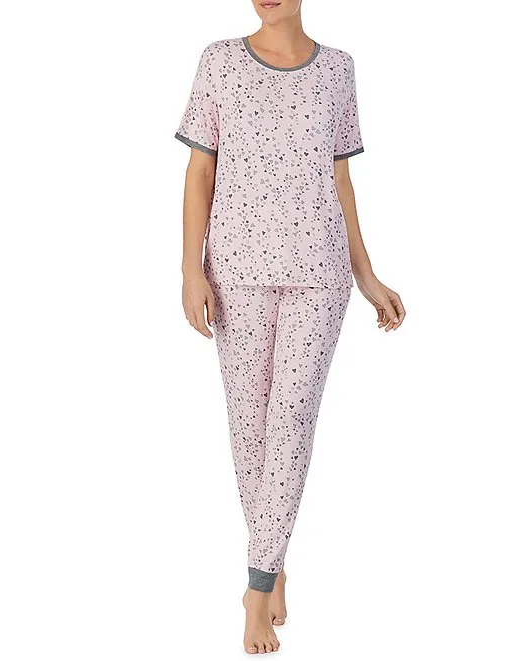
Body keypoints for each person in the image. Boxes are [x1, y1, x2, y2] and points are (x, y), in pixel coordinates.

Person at [175, 0, 405, 654]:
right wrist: (190, 270)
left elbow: (341, 179)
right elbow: (199, 171)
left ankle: (256, 585)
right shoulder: (220, 61)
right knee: (251, 430)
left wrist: (366, 274)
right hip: (235, 271)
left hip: (318, 273)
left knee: (291, 422)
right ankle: (273, 561)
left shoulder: (338, 69)